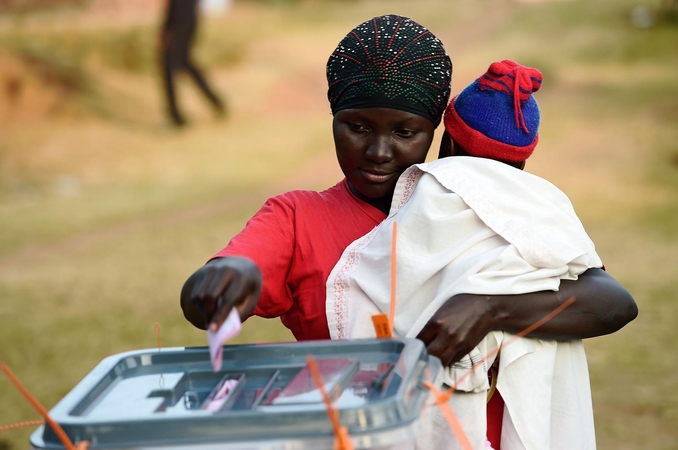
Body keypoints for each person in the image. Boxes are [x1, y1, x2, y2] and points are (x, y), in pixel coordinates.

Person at [180, 15, 637, 444]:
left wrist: (492, 309)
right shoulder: (298, 219)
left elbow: (611, 302)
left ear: (439, 134)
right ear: (333, 120)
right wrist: (226, 279)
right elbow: (227, 278)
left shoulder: (485, 216)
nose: (379, 151)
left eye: (405, 132)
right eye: (357, 127)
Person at [326, 60, 623, 449]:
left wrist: (489, 307)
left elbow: (378, 281)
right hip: (519, 407)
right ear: (523, 161)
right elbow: (612, 298)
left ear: (446, 142)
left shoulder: (428, 199)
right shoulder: (542, 208)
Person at [159, 0, 225, 126]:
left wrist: (168, 29)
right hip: (186, 24)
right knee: (186, 64)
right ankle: (215, 101)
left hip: (181, 26)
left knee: (170, 68)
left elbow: (177, 7)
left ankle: (176, 116)